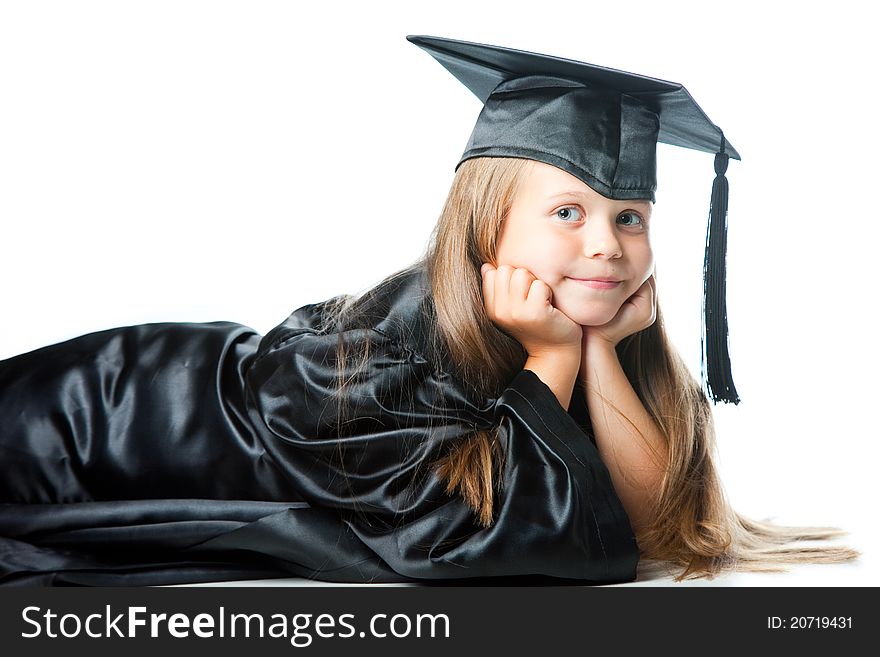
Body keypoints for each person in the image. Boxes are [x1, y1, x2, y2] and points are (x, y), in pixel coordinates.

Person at [0, 35, 859, 586]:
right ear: (488, 227)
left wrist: (593, 354)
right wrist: (553, 362)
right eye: (568, 212)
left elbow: (648, 525)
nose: (608, 244)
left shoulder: (578, 331)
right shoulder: (376, 357)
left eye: (628, 217)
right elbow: (482, 548)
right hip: (94, 422)